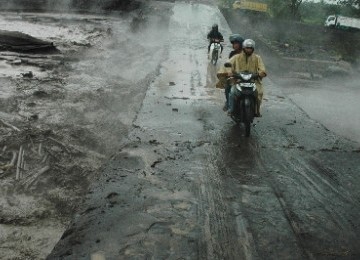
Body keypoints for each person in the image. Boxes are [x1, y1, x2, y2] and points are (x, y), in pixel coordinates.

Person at [226, 39, 267, 117]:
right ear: (244, 48)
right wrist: (229, 71)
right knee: (232, 93)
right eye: (247, 48)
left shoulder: (257, 58)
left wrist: (262, 72)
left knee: (260, 93)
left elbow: (262, 68)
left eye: (250, 48)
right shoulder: (236, 57)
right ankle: (231, 110)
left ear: (253, 49)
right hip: (238, 81)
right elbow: (228, 63)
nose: (249, 50)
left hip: (253, 81)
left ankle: (256, 111)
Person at [221, 34, 244, 111]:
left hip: (245, 75)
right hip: (235, 75)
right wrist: (229, 72)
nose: (235, 45)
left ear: (241, 44)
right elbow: (229, 64)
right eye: (233, 44)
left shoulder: (246, 53)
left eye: (236, 43)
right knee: (228, 87)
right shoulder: (232, 54)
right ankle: (228, 103)